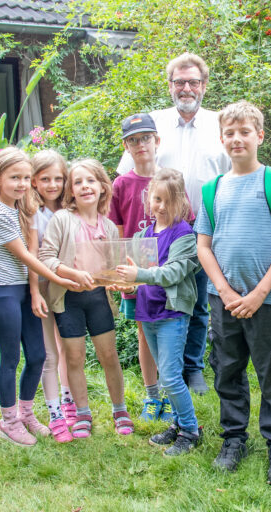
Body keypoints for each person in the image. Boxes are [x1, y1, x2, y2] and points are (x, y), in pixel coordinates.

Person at [195, 101, 271, 485]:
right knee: (227, 369)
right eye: (230, 133)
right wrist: (223, 290)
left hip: (267, 301)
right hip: (222, 300)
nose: (237, 139)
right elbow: (203, 246)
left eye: (245, 132)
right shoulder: (213, 188)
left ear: (260, 136)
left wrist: (259, 293)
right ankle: (233, 439)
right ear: (221, 138)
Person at [116, 53, 231, 395]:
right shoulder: (153, 125)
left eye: (193, 82)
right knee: (158, 299)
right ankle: (167, 371)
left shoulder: (219, 124)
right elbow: (127, 175)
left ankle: (192, 368)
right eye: (179, 82)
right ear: (170, 85)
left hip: (203, 230)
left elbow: (232, 175)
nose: (186, 88)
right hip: (156, 233)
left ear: (204, 85)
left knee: (196, 302)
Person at [0, 147, 78, 446]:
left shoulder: (19, 208)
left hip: (23, 290)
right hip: (2, 291)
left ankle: (25, 413)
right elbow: (23, 255)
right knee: (10, 358)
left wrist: (36, 290)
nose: (22, 184)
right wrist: (60, 278)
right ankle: (8, 421)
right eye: (14, 178)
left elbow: (33, 249)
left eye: (25, 177)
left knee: (37, 355)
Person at [39, 159, 133, 438]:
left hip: (98, 300)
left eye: (90, 181)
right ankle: (82, 413)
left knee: (108, 355)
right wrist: (73, 274)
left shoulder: (108, 225)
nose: (85, 187)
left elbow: (111, 267)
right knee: (75, 357)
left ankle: (120, 409)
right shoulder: (62, 220)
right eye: (78, 182)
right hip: (68, 298)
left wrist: (117, 281)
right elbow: (46, 258)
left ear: (103, 187)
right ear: (71, 190)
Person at [116, 168, 202, 455]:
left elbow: (175, 271)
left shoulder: (185, 234)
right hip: (147, 312)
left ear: (182, 202)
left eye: (169, 201)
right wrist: (124, 282)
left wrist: (139, 272)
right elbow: (135, 274)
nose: (162, 207)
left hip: (172, 314)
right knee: (168, 374)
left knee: (170, 375)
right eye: (157, 199)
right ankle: (178, 425)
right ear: (149, 200)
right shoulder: (143, 234)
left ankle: (190, 430)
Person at [110, 114, 165, 422]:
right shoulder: (121, 184)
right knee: (145, 335)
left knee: (171, 333)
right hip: (136, 268)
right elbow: (118, 233)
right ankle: (152, 394)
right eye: (133, 140)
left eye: (146, 138)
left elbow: (183, 224)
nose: (141, 144)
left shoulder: (170, 179)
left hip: (166, 271)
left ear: (157, 141)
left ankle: (171, 393)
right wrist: (124, 273)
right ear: (126, 146)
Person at [31, 149, 75, 443]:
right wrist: (35, 290)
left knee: (69, 348)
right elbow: (32, 255)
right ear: (33, 181)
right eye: (45, 179)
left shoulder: (69, 210)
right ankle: (55, 412)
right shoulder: (32, 213)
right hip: (43, 286)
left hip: (68, 286)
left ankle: (70, 399)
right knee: (49, 352)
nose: (52, 185)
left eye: (58, 178)